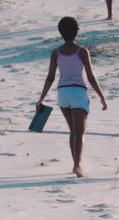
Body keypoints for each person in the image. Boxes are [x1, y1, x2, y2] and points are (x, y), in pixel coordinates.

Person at [37, 16, 106, 177]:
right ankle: (77, 165)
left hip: (62, 93)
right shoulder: (82, 51)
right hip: (78, 92)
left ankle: (75, 163)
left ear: (61, 33)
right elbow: (90, 76)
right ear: (76, 31)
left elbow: (50, 77)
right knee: (79, 133)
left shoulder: (56, 52)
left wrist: (41, 98)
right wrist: (101, 96)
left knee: (72, 131)